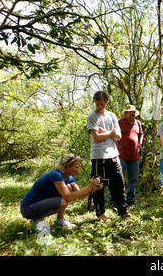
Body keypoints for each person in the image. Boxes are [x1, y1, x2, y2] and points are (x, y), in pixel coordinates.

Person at [20, 154, 103, 232]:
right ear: (68, 167)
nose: (78, 170)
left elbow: (80, 196)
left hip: (40, 205)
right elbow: (68, 197)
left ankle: (60, 220)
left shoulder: (69, 177)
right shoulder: (56, 175)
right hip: (28, 208)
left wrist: (93, 189)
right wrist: (89, 186)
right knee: (63, 202)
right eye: (76, 167)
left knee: (69, 188)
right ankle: (37, 219)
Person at [87, 90, 129, 220]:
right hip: (99, 156)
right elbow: (97, 137)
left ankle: (122, 211)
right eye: (97, 103)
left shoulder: (112, 116)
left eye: (102, 104)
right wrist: (111, 132)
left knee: (119, 184)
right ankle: (100, 213)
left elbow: (119, 135)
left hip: (113, 155)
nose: (99, 106)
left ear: (106, 102)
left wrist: (107, 132)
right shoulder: (92, 116)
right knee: (98, 185)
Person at [117, 105, 143, 206]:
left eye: (133, 112)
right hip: (121, 155)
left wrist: (140, 142)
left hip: (135, 156)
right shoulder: (120, 122)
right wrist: (116, 142)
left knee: (133, 178)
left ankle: (130, 199)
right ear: (125, 113)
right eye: (130, 112)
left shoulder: (137, 123)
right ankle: (115, 199)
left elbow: (141, 134)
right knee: (119, 177)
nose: (132, 114)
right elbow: (113, 133)